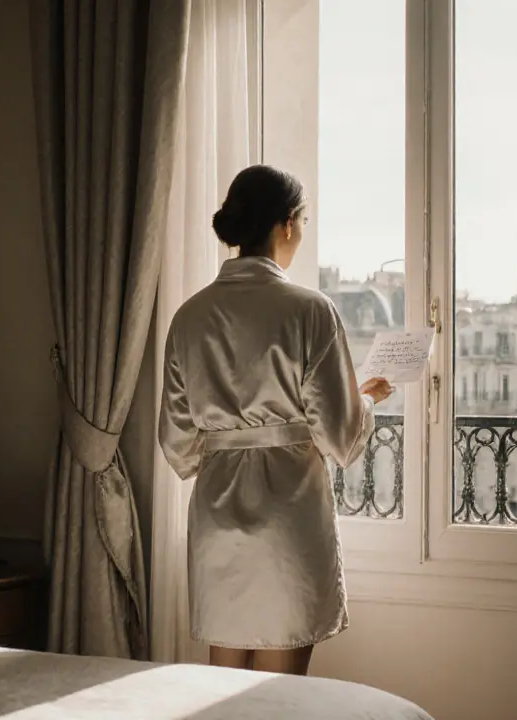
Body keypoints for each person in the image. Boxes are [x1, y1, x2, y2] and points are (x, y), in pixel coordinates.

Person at [158, 165, 393, 676]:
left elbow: (176, 443)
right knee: (282, 695)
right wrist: (366, 400)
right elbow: (341, 436)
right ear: (287, 224)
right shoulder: (311, 310)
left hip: (218, 517)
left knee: (222, 688)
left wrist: (230, 440)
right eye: (303, 220)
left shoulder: (189, 316)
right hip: (287, 515)